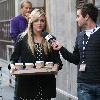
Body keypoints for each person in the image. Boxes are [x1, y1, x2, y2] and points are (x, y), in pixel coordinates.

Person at [9, 8, 63, 100]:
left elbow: (58, 61)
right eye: (36, 20)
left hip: (45, 86)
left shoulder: (50, 39)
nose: (39, 23)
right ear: (31, 22)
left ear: (45, 22)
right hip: (26, 86)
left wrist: (56, 66)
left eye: (42, 20)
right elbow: (13, 59)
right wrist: (12, 66)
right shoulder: (22, 38)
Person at [52, 3, 100, 100]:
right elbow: (75, 59)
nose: (76, 19)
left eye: (78, 16)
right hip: (83, 85)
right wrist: (61, 48)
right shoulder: (80, 36)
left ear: (86, 17)